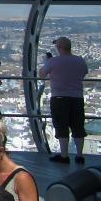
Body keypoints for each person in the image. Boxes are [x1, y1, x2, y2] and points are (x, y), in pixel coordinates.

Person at [39, 36, 89, 164]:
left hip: (59, 97)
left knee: (61, 126)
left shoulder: (54, 61)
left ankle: (64, 156)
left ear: (59, 47)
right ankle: (79, 155)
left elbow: (42, 74)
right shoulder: (80, 61)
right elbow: (84, 73)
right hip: (77, 97)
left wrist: (47, 63)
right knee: (78, 126)